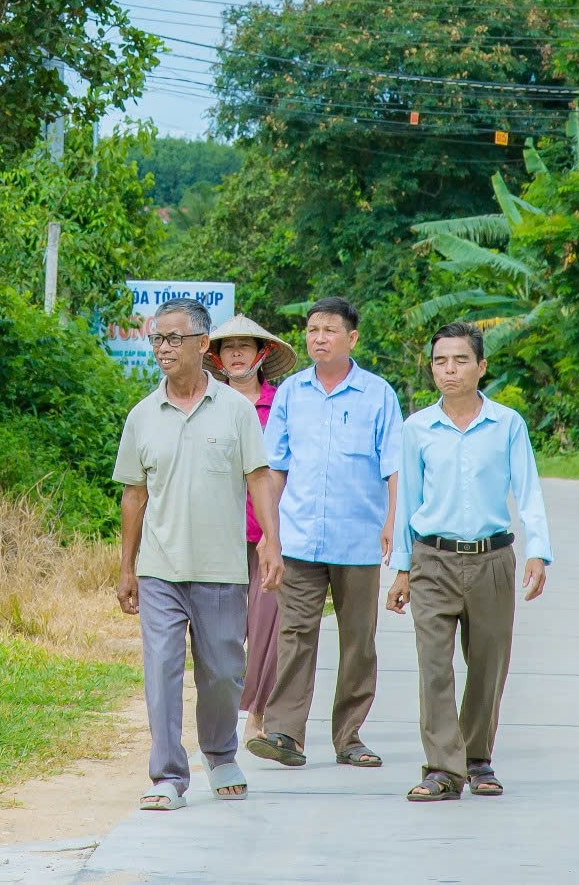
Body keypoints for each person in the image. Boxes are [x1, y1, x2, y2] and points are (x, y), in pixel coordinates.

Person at [114, 297, 284, 811]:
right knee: (161, 669)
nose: (163, 348)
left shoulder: (235, 411)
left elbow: (258, 478)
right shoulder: (143, 416)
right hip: (160, 568)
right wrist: (127, 568)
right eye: (157, 339)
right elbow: (133, 495)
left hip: (221, 567)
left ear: (201, 344)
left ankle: (220, 753)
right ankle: (167, 774)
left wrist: (271, 542)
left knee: (221, 673)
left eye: (173, 338)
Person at [387, 320, 552, 802]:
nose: (449, 370)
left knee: (487, 665)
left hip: (492, 560)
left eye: (460, 360)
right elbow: (408, 502)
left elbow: (528, 490)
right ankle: (442, 768)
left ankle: (477, 759)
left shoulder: (507, 425)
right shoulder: (417, 428)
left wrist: (538, 551)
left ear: (482, 366)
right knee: (434, 667)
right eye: (440, 361)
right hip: (432, 560)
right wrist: (402, 568)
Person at [245, 296, 403, 771]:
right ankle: (285, 732)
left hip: (357, 540)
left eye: (329, 330)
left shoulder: (378, 394)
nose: (318, 338)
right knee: (294, 633)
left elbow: (394, 467)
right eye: (312, 330)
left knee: (358, 639)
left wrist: (394, 522)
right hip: (298, 539)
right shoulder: (291, 393)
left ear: (351, 339)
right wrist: (270, 535)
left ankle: (349, 736)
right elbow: (274, 469)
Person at [207, 312, 297, 734]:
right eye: (229, 348)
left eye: (246, 346)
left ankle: (256, 713)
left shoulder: (282, 404)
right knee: (223, 631)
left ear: (262, 354)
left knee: (266, 628)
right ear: (218, 358)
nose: (238, 354)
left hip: (267, 533)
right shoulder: (206, 402)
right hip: (218, 534)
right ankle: (221, 709)